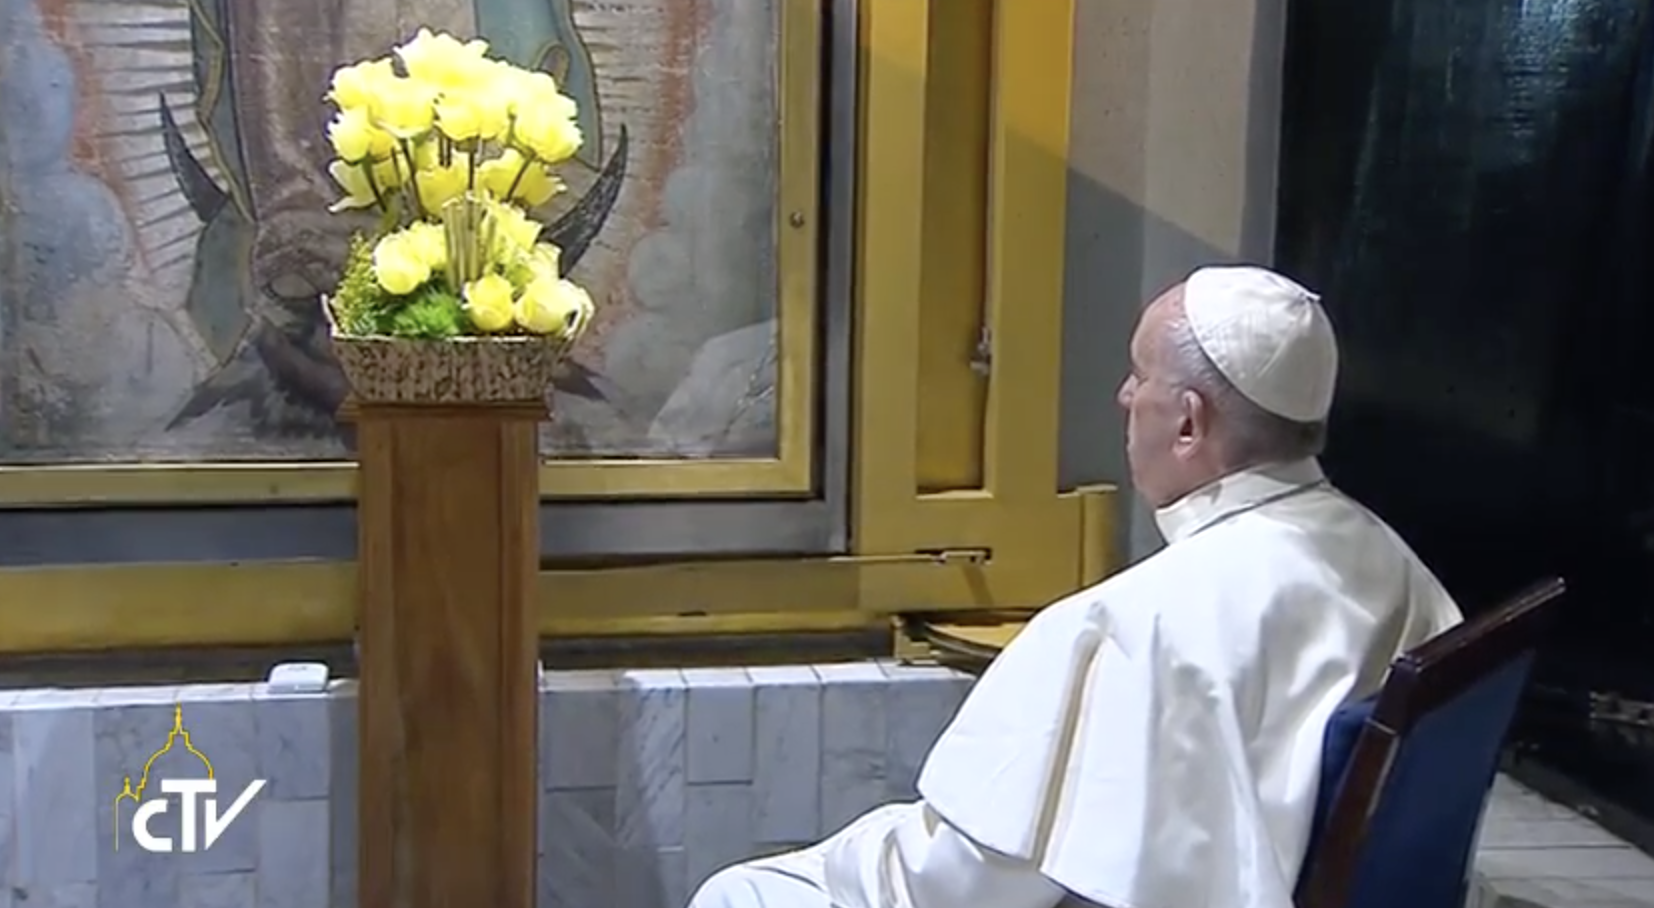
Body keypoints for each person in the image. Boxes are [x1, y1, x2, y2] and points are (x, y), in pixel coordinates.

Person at [687, 265, 1465, 908]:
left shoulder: (1133, 622)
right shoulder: (1391, 562)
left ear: (1188, 424)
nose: (1124, 397)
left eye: (1140, 375)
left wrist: (819, 867)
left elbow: (962, 883)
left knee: (738, 895)